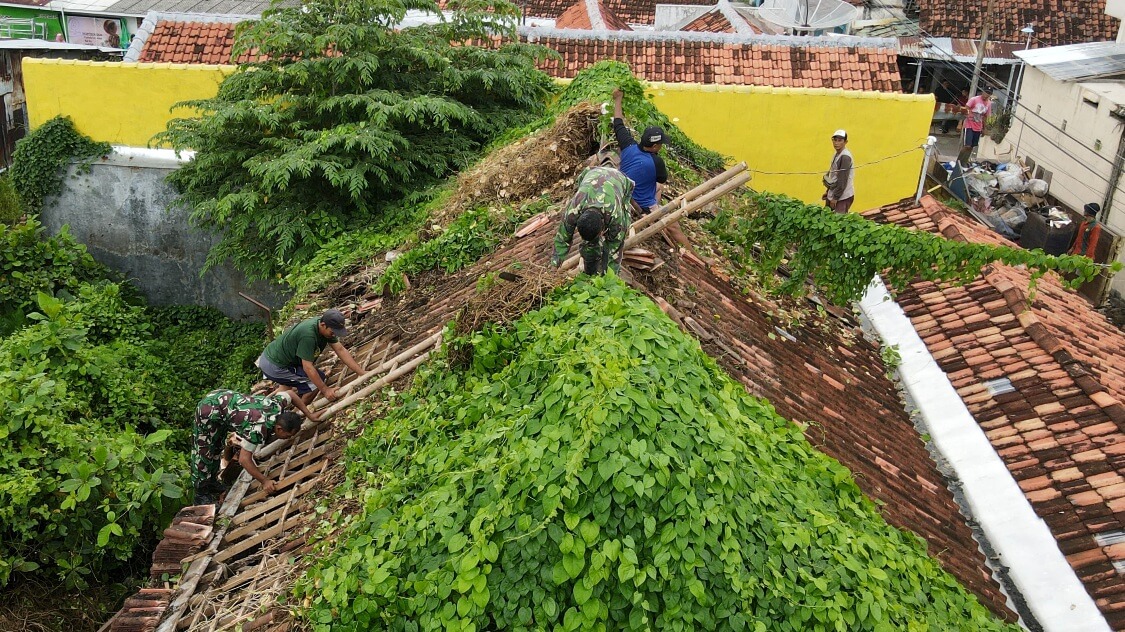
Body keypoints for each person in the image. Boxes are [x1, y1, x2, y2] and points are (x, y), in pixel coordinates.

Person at [191, 390, 304, 504]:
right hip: (208, 410)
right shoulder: (258, 429)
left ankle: (211, 482)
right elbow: (244, 460)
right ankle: (200, 493)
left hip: (223, 403)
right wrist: (264, 481)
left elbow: (290, 393)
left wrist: (310, 414)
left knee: (216, 448)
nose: (289, 438)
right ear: (279, 429)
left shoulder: (277, 406)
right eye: (288, 435)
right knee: (204, 452)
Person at [256, 308, 364, 404]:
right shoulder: (309, 335)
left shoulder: (323, 327)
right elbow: (307, 367)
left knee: (292, 385)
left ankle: (272, 407)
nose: (334, 334)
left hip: (278, 359)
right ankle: (299, 413)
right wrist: (325, 390)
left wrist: (361, 373)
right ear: (323, 325)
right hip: (274, 365)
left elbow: (340, 349)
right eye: (333, 332)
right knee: (314, 384)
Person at [551, 166, 633, 275]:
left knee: (618, 236)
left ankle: (602, 274)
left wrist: (609, 279)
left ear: (601, 231)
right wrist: (553, 267)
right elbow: (562, 239)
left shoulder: (616, 218)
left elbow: (614, 251)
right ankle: (590, 272)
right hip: (590, 173)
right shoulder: (574, 210)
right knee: (590, 246)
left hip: (622, 181)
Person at [611, 88, 668, 215]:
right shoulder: (656, 162)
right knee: (659, 187)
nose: (661, 146)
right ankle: (653, 213)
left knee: (657, 187)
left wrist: (618, 99)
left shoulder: (628, 145)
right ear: (654, 147)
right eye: (660, 144)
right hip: (641, 204)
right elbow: (662, 179)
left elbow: (618, 124)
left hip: (624, 193)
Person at [822, 129, 855, 214]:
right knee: (827, 217)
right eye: (835, 140)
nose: (836, 143)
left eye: (840, 140)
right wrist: (828, 191)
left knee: (838, 223)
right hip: (834, 193)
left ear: (845, 142)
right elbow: (833, 176)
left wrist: (835, 198)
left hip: (842, 196)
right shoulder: (836, 154)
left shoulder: (845, 157)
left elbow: (842, 180)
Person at [958, 87, 993, 165]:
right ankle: (959, 161)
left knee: (971, 146)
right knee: (967, 145)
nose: (986, 95)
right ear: (983, 92)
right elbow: (964, 111)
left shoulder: (989, 103)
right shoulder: (974, 99)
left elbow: (986, 117)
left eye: (989, 93)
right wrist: (960, 123)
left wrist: (984, 128)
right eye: (986, 92)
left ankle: (964, 161)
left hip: (978, 126)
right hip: (969, 124)